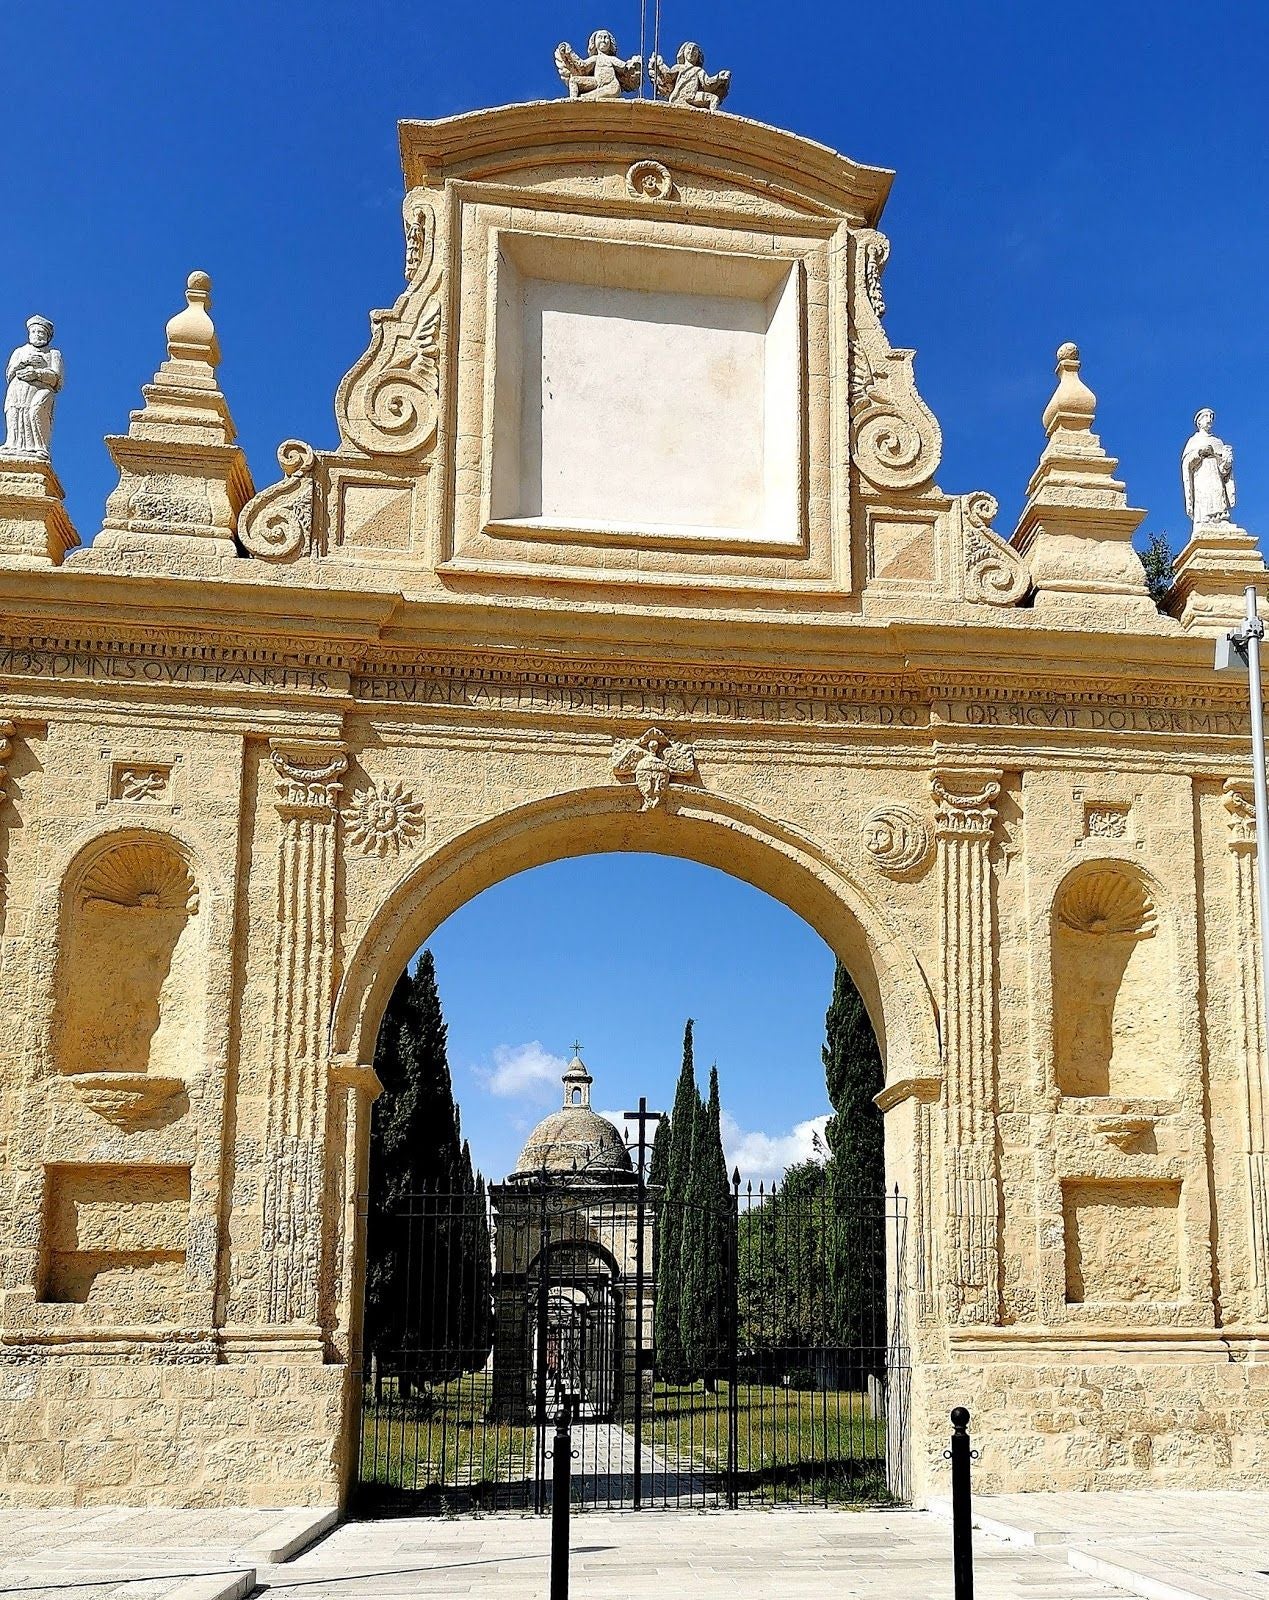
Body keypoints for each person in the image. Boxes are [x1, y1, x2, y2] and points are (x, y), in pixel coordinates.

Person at [2, 316, 63, 460]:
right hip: (18, 388)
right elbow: (9, 373)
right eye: (34, 332)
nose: (37, 335)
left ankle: (38, 446)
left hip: (41, 390)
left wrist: (37, 374)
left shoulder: (53, 354)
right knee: (14, 411)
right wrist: (23, 363)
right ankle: (13, 444)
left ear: (47, 336)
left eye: (41, 332)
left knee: (35, 412)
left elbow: (57, 379)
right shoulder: (19, 352)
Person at [1181, 408, 1235, 531]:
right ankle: (1205, 519)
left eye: (1211, 417)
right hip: (1201, 473)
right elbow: (1187, 463)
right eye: (1206, 417)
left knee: (1218, 492)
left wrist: (1227, 462)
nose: (1209, 419)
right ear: (1199, 422)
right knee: (1204, 495)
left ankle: (1221, 519)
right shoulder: (1194, 441)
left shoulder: (1218, 442)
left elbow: (1223, 471)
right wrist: (1200, 453)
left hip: (1215, 474)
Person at [648, 42, 731, 111]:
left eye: (695, 50)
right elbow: (668, 76)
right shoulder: (679, 67)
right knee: (712, 100)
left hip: (693, 95)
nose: (691, 52)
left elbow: (707, 84)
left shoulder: (699, 70)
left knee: (714, 99)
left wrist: (719, 78)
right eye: (689, 49)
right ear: (683, 52)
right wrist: (659, 64)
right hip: (679, 96)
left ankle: (712, 120)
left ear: (698, 56)